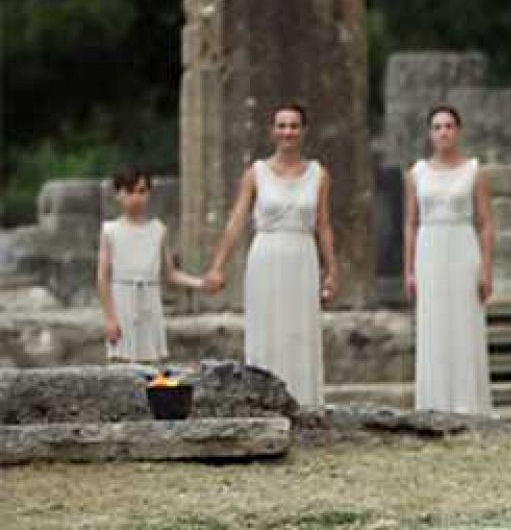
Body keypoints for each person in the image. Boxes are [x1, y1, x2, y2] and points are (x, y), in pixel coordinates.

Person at [204, 103, 339, 407]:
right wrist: (218, 266)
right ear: (272, 131)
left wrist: (332, 270)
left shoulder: (318, 174)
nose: (287, 131)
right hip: (265, 256)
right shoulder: (257, 173)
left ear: (303, 131)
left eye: (293, 126)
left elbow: (324, 224)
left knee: (300, 329)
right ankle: (263, 403)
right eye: (281, 125)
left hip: (302, 255)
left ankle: (304, 402)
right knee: (267, 328)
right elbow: (237, 220)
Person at [404, 105, 495, 414]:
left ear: (458, 131)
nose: (443, 132)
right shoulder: (417, 173)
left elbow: (485, 223)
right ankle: (435, 402)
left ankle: (469, 403)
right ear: (430, 134)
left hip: (462, 247)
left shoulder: (474, 171)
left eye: (449, 126)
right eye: (437, 127)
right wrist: (409, 269)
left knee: (464, 321)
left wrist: (486, 268)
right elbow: (411, 223)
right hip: (429, 249)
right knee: (434, 323)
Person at [98, 166, 203, 362]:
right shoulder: (110, 231)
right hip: (123, 300)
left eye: (141, 191)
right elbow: (103, 277)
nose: (136, 198)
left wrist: (201, 283)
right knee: (122, 360)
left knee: (152, 362)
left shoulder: (158, 230)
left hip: (149, 300)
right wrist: (110, 318)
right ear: (118, 194)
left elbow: (170, 274)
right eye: (129, 192)